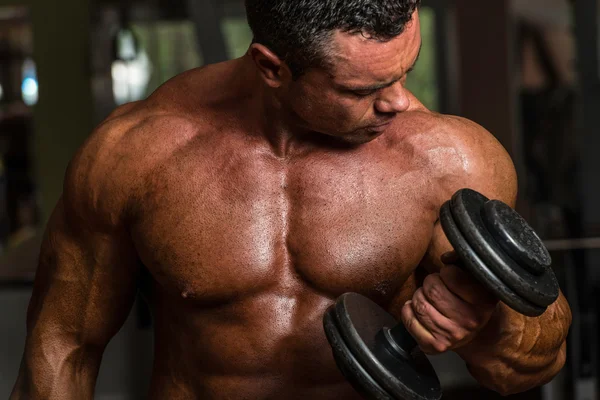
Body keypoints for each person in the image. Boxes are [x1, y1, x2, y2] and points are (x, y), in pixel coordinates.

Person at [11, 1, 572, 399]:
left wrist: (485, 328)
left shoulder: (451, 162)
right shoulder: (135, 154)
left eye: (405, 70)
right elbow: (63, 349)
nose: (399, 103)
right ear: (272, 67)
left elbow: (531, 367)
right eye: (362, 89)